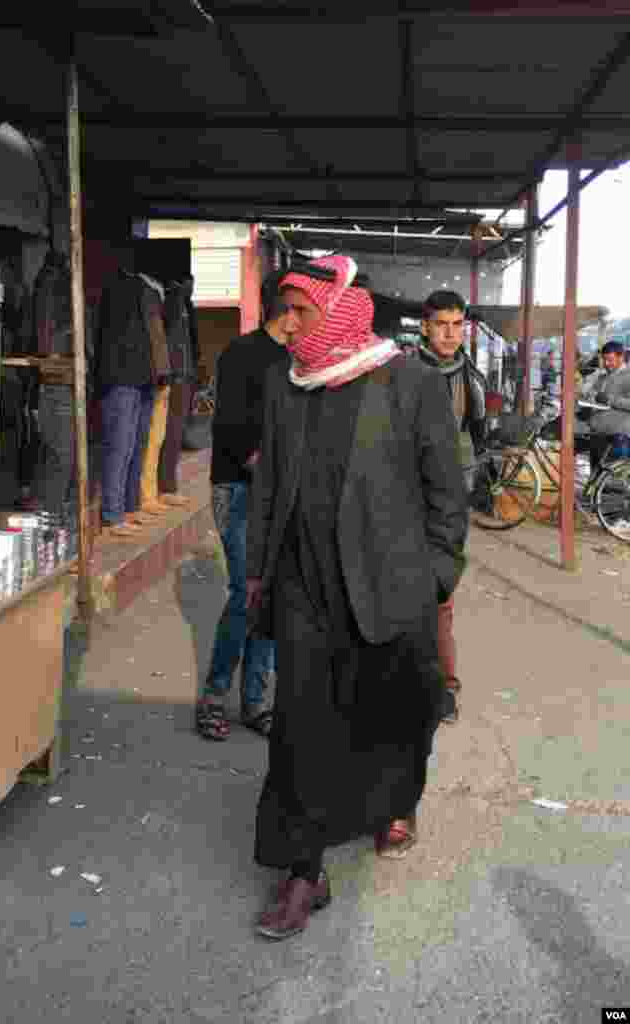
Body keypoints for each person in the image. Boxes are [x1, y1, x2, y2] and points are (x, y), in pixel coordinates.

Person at [247, 255, 468, 941]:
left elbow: (446, 496)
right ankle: (301, 871)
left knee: (395, 712)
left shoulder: (408, 385)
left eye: (300, 310)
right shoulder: (285, 387)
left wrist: (434, 577)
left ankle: (392, 803)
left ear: (339, 309)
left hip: (389, 589)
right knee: (300, 729)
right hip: (304, 591)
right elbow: (269, 487)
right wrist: (259, 572)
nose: (288, 325)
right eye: (282, 310)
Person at [196, 270, 298, 742]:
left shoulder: (301, 359)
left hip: (279, 494)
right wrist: (269, 471)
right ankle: (214, 697)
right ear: (288, 308)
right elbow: (231, 430)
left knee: (270, 595)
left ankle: (255, 701)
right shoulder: (243, 353)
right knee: (246, 594)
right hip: (238, 489)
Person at [416, 290, 487, 725]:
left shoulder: (471, 378)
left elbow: (477, 436)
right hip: (410, 495)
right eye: (441, 323)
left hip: (452, 502)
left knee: (442, 593)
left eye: (457, 324)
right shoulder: (402, 373)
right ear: (425, 326)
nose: (449, 333)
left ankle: (444, 683)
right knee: (406, 590)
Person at [580, 341, 630, 471]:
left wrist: (609, 399)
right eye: (604, 360)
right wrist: (588, 398)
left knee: (612, 481)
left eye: (610, 360)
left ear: (621, 357)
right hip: (597, 433)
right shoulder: (603, 376)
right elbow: (593, 394)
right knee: (595, 475)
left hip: (617, 435)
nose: (606, 364)